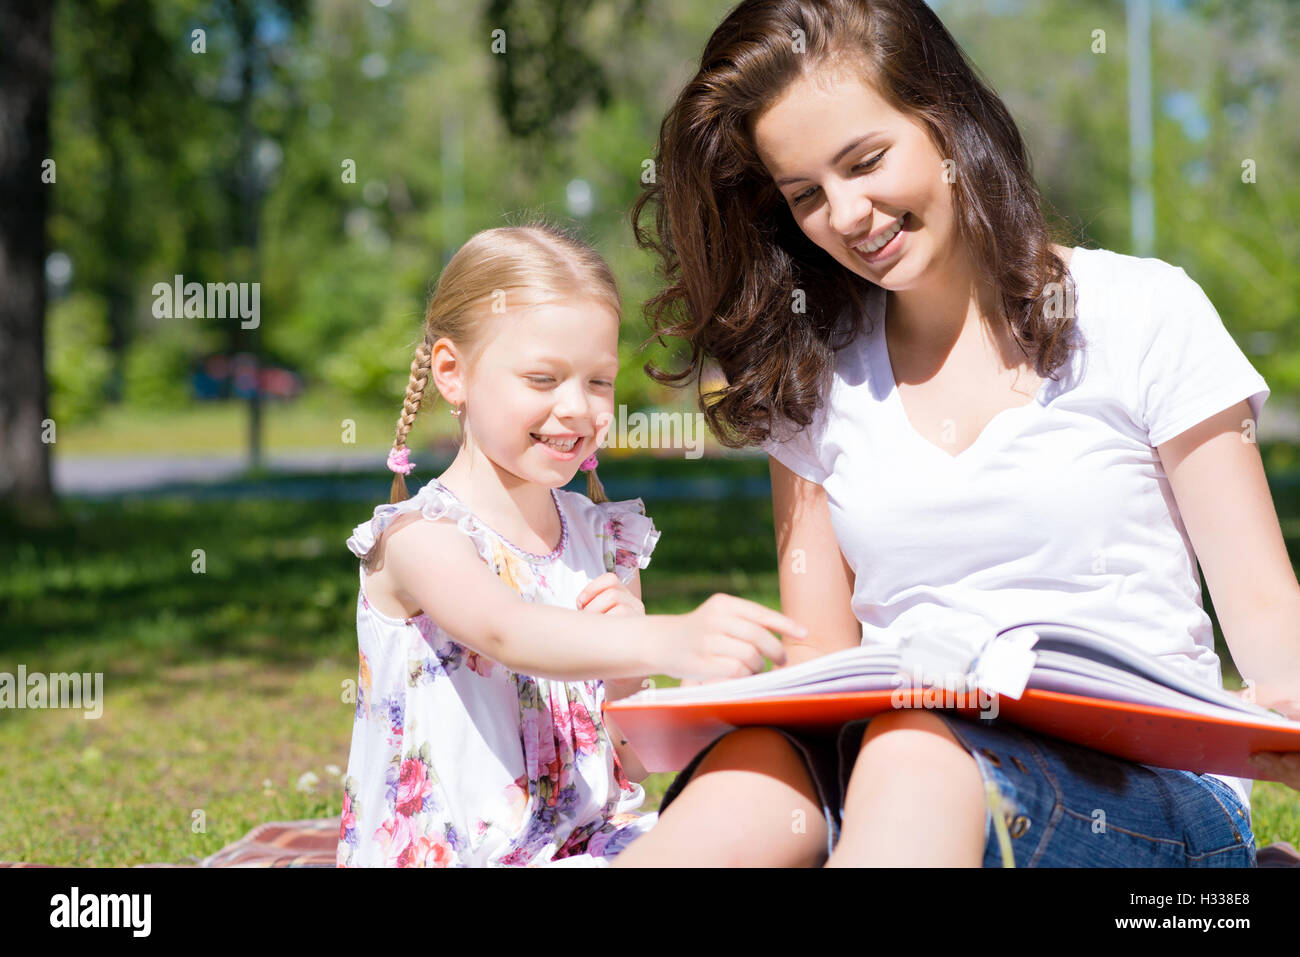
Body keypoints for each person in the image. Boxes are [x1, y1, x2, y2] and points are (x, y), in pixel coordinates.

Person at [614, 0, 1300, 867]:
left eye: (865, 163)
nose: (849, 215)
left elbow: (1269, 614)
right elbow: (823, 657)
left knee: (912, 750)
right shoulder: (816, 377)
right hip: (898, 760)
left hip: (1143, 786)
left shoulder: (1141, 312)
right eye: (806, 197)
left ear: (946, 120)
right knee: (752, 780)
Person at [334, 222, 806, 867]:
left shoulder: (605, 540)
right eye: (542, 379)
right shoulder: (419, 539)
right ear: (453, 372)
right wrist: (665, 637)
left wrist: (654, 678)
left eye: (598, 382)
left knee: (776, 805)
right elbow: (508, 631)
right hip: (464, 857)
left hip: (589, 845)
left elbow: (625, 754)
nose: (578, 408)